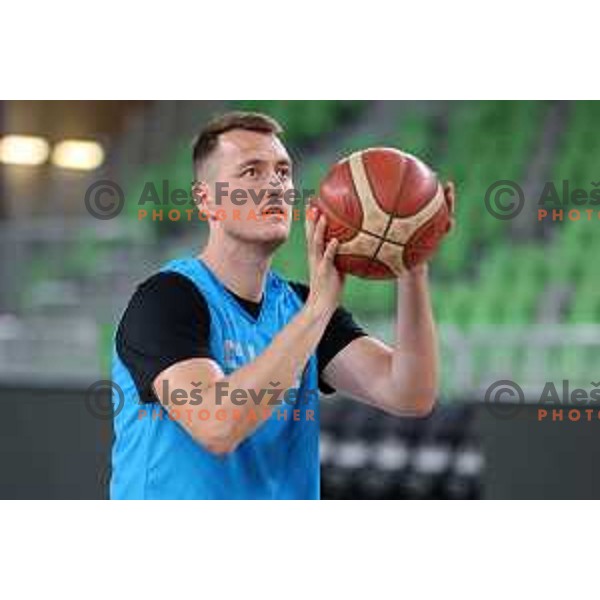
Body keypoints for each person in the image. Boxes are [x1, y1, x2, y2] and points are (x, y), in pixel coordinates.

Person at [110, 110, 455, 499]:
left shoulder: (301, 307)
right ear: (206, 201)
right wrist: (316, 313)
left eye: (283, 171)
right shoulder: (167, 299)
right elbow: (217, 426)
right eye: (251, 172)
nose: (274, 184)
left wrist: (412, 261)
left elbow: (410, 393)